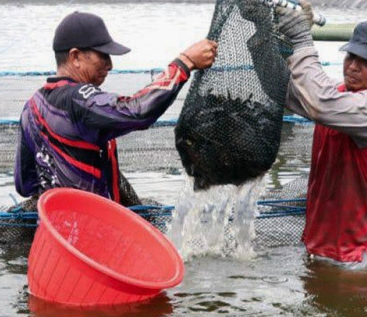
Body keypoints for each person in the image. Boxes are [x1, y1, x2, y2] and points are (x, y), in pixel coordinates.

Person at [15, 11, 217, 205]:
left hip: (52, 230)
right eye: (103, 55)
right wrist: (184, 63)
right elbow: (137, 111)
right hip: (92, 230)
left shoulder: (30, 108)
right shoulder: (79, 100)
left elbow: (25, 185)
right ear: (75, 56)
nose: (110, 65)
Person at [275, 2, 367, 267]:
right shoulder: (337, 96)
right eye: (351, 57)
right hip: (319, 242)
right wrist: (275, 41)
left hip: (360, 250)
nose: (354, 67)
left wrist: (301, 38)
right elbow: (287, 91)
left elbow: (321, 102)